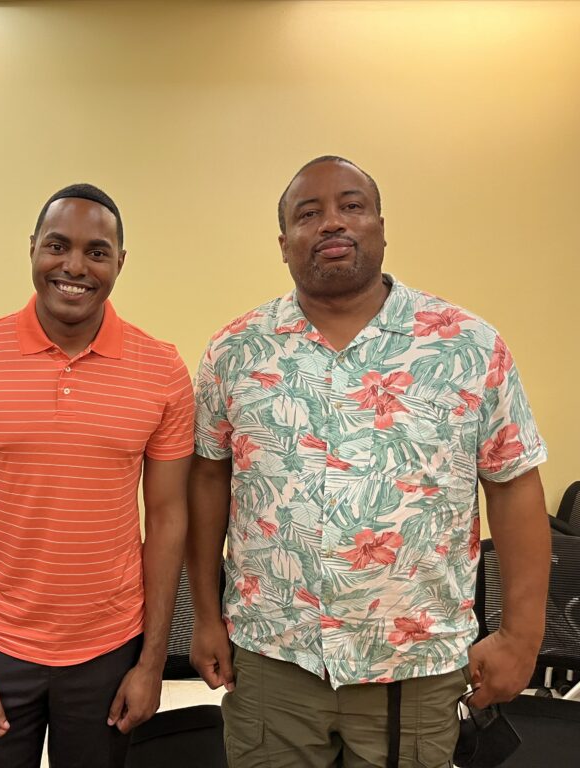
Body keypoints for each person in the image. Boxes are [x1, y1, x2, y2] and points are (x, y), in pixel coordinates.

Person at [188, 156, 550, 768]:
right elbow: (207, 480)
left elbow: (514, 488)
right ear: (284, 244)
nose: (332, 222)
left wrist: (521, 636)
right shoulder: (236, 350)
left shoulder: (467, 345)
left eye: (351, 206)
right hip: (275, 660)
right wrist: (202, 615)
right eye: (309, 213)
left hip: (414, 670)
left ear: (381, 225)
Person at [0, 183, 194, 768]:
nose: (74, 266)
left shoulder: (163, 369)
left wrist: (151, 663)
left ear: (120, 263)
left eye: (97, 252)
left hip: (110, 649)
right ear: (32, 250)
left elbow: (170, 516)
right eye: (57, 245)